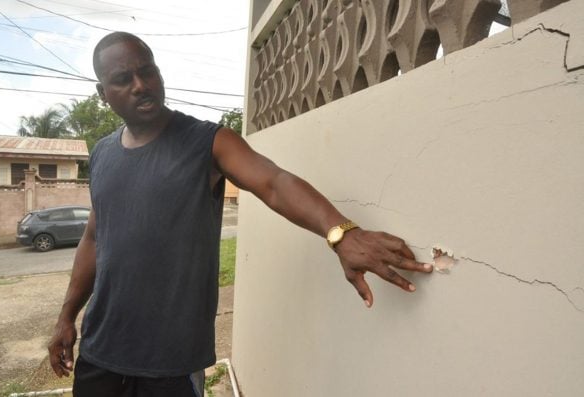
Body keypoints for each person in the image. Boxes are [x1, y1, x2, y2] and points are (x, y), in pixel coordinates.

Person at [48, 31, 433, 397]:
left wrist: (341, 233)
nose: (140, 84)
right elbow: (95, 239)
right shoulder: (102, 154)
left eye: (147, 70)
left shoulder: (207, 141)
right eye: (122, 78)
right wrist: (67, 316)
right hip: (100, 352)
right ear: (103, 94)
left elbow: (274, 182)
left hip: (170, 364)